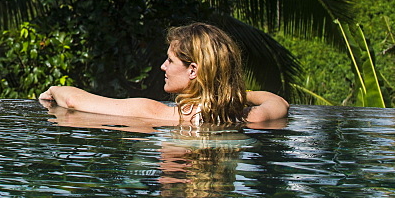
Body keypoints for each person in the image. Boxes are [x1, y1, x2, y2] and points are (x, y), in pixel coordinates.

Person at [38, 22, 289, 124]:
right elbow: (278, 101)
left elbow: (73, 101)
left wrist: (54, 90)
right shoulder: (250, 119)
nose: (162, 67)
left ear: (193, 70)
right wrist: (232, 94)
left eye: (170, 61)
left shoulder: (161, 115)